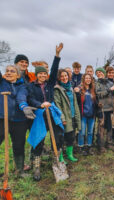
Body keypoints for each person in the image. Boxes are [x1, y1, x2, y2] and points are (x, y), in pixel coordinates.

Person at [27, 43, 64, 181]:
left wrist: (57, 55)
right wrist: (40, 104)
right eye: (40, 73)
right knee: (39, 140)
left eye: (44, 73)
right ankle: (36, 167)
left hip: (52, 113)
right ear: (37, 75)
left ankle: (57, 160)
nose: (43, 75)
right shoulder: (31, 86)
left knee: (59, 135)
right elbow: (30, 98)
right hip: (40, 115)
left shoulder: (49, 83)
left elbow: (54, 71)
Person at [0, 65, 36, 177]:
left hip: (19, 120)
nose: (9, 73)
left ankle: (19, 171)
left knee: (19, 145)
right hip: (2, 118)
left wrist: (24, 106)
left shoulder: (23, 86)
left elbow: (21, 97)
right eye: (7, 71)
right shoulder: (1, 83)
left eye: (12, 71)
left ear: (18, 74)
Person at [54, 69, 81, 163]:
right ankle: (60, 157)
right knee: (61, 138)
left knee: (71, 137)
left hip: (72, 117)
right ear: (58, 78)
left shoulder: (70, 88)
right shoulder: (57, 89)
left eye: (65, 76)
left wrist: (77, 117)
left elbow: (75, 104)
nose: (64, 78)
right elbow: (58, 105)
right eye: (62, 76)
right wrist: (62, 118)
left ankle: (70, 155)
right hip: (64, 118)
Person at [95, 67, 114, 153]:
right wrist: (110, 89)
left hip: (111, 108)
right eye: (97, 72)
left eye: (100, 72)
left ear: (104, 73)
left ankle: (109, 143)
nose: (99, 73)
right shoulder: (97, 83)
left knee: (109, 127)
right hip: (102, 109)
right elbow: (99, 94)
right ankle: (100, 145)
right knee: (101, 127)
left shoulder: (110, 83)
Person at [77, 73, 97, 155]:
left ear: (91, 80)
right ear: (83, 79)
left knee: (90, 132)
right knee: (82, 132)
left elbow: (95, 102)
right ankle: (81, 147)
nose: (88, 79)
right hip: (83, 115)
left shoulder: (93, 90)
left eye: (89, 78)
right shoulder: (81, 89)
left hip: (92, 115)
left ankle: (89, 147)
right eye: (86, 78)